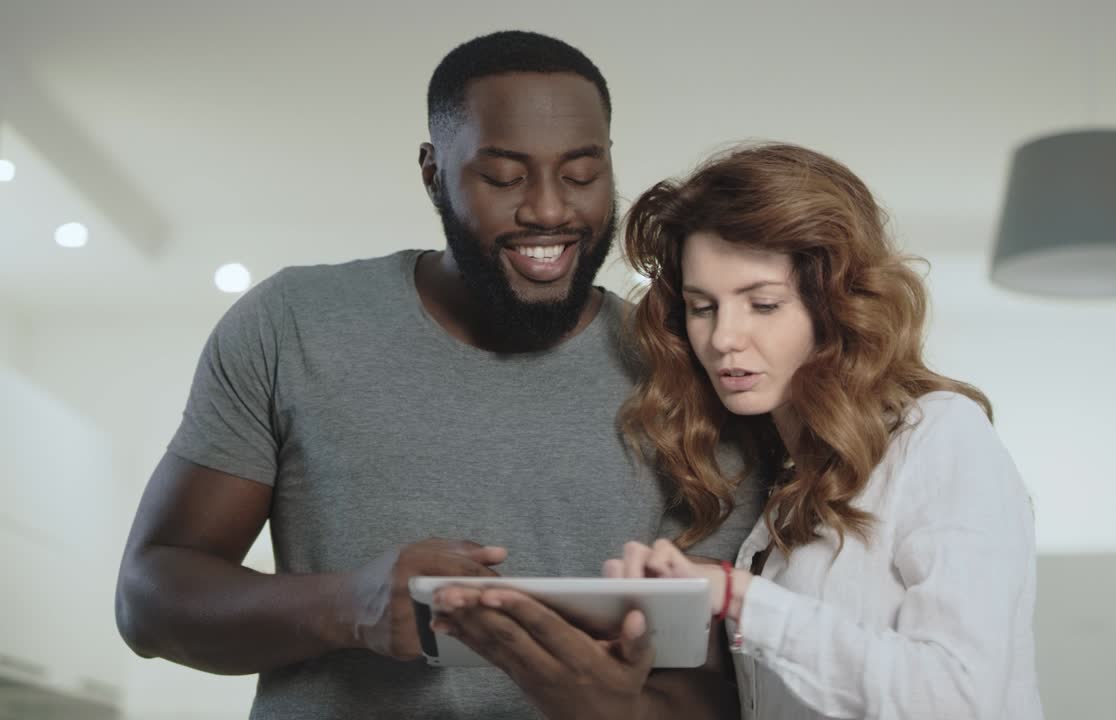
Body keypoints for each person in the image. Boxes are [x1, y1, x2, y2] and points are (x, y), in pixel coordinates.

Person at [114, 31, 760, 719]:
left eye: (580, 173)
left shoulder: (688, 369)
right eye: (505, 177)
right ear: (433, 173)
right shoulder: (293, 324)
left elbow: (730, 685)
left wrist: (617, 712)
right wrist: (347, 606)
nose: (548, 208)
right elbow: (149, 599)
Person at [604, 143, 1043, 719]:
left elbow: (958, 697)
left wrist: (739, 599)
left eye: (762, 304)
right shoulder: (779, 499)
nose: (723, 338)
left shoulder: (939, 436)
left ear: (834, 307)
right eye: (702, 306)